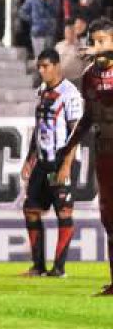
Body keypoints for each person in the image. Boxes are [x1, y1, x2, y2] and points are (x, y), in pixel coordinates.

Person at [55, 18, 113, 295]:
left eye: (103, 41)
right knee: (109, 218)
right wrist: (68, 150)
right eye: (94, 41)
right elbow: (88, 117)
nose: (96, 47)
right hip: (104, 154)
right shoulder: (89, 76)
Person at [19, 49, 82, 278]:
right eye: (39, 67)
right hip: (43, 161)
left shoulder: (70, 94)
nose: (42, 71)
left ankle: (59, 269)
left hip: (61, 160)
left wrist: (66, 164)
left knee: (63, 213)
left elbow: (76, 131)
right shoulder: (43, 91)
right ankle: (38, 266)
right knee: (31, 210)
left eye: (46, 66)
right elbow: (39, 127)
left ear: (57, 66)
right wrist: (29, 158)